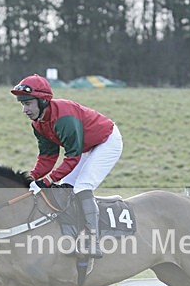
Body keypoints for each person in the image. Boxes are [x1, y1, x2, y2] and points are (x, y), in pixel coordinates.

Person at [11, 73, 123, 258]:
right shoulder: (38, 123)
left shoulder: (64, 118)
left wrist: (47, 180)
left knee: (82, 187)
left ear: (43, 101)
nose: (25, 110)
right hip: (86, 147)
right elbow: (48, 157)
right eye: (22, 104)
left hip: (106, 141)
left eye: (28, 103)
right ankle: (72, 236)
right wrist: (32, 176)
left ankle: (93, 242)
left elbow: (72, 157)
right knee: (64, 189)